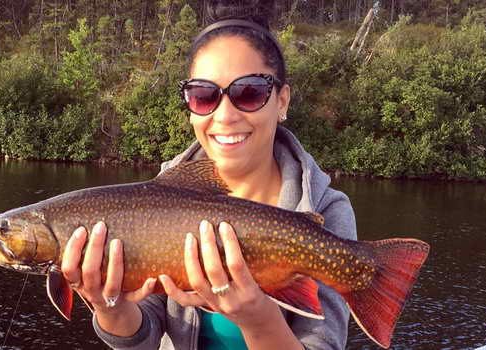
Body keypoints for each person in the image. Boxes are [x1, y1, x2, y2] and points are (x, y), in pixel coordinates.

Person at [59, 1, 357, 349]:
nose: (225, 115)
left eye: (250, 92)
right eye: (204, 96)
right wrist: (110, 309)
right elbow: (145, 335)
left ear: (282, 101)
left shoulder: (327, 210)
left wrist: (259, 320)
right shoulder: (156, 201)